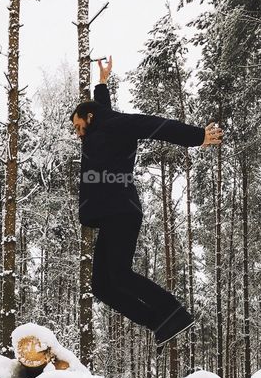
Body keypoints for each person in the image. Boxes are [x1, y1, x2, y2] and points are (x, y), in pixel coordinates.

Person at [71, 56, 224, 349]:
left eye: (80, 126)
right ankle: (161, 322)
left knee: (120, 274)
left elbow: (154, 125)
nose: (79, 134)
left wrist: (197, 136)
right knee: (102, 285)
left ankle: (175, 313)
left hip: (121, 210)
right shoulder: (104, 123)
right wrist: (102, 82)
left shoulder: (116, 125)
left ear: (89, 118)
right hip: (110, 214)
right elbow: (103, 109)